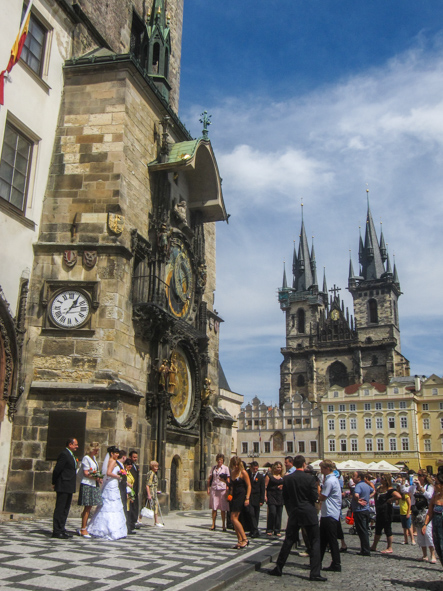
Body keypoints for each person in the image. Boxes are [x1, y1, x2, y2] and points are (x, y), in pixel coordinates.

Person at [269, 455, 326, 582]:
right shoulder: (310, 479)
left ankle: (279, 568)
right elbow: (313, 496)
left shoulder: (288, 479)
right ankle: (315, 572)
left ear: (294, 464)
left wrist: (291, 510)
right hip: (309, 512)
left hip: (295, 512)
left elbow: (286, 497)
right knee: (315, 541)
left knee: (289, 540)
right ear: (304, 464)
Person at [88, 446, 128, 540]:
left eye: (118, 453)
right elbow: (109, 473)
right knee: (111, 503)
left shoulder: (111, 460)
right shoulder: (113, 461)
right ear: (111, 454)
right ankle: (110, 529)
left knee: (110, 504)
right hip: (112, 483)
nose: (117, 455)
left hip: (112, 484)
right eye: (116, 453)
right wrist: (118, 476)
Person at [52, 437, 80, 539]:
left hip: (69, 485)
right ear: (70, 444)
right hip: (63, 484)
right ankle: (57, 530)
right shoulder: (64, 454)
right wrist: (54, 482)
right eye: (75, 444)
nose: (77, 446)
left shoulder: (71, 455)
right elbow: (57, 469)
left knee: (65, 508)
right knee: (60, 508)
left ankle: (62, 528)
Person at [319, 460, 342, 572]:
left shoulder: (330, 481)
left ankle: (336, 563)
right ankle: (317, 562)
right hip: (329, 513)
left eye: (322, 468)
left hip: (330, 513)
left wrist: (317, 492)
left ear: (327, 468)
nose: (321, 471)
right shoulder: (333, 479)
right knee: (323, 540)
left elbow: (323, 497)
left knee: (331, 540)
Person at [370, 473, 401, 553]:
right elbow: (375, 495)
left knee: (387, 528)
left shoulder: (390, 489)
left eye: (383, 478)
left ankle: (389, 547)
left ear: (386, 480)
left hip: (386, 511)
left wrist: (391, 499)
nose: (381, 479)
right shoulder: (380, 488)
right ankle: (374, 546)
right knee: (378, 528)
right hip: (379, 510)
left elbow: (398, 496)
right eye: (381, 478)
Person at [77, 442, 103, 538]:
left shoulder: (94, 459)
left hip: (93, 484)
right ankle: (83, 528)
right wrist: (96, 477)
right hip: (87, 484)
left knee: (90, 506)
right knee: (87, 507)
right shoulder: (86, 458)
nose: (97, 452)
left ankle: (84, 526)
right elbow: (86, 473)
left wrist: (98, 477)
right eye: (96, 450)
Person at [413, 469, 436, 562]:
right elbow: (407, 492)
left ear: (424, 477)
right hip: (418, 512)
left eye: (420, 475)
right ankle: (424, 555)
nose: (418, 477)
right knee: (420, 534)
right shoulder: (415, 487)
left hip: (426, 511)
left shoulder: (429, 486)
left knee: (427, 533)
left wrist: (421, 488)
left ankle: (433, 555)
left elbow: (430, 496)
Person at [228, 456, 251, 549]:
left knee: (233, 518)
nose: (236, 466)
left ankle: (245, 539)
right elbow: (232, 486)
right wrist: (229, 495)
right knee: (234, 518)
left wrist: (247, 498)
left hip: (241, 496)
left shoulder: (243, 472)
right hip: (234, 496)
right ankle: (239, 540)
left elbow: (249, 485)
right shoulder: (232, 473)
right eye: (234, 465)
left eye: (237, 464)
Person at [423, 472, 443, 567]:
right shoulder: (435, 498)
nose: (435, 485)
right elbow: (430, 513)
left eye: (437, 483)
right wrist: (425, 524)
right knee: (439, 550)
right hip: (437, 528)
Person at [351, 471, 372, 556]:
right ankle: (365, 549)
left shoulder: (358, 486)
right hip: (366, 510)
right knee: (365, 530)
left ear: (359, 477)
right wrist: (367, 498)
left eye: (354, 476)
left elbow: (356, 495)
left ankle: (365, 550)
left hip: (359, 510)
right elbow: (373, 490)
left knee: (362, 531)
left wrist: (358, 500)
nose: (352, 478)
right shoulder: (366, 485)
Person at [207, 453, 230, 531]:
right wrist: (208, 488)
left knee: (223, 508)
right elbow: (210, 478)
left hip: (222, 489)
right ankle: (213, 524)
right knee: (214, 507)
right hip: (214, 488)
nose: (220, 461)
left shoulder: (225, 468)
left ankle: (223, 524)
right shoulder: (213, 468)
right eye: (219, 460)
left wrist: (227, 487)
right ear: (217, 460)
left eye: (221, 460)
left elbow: (228, 479)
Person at [265, 461, 284, 536]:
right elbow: (265, 486)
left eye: (280, 467)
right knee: (272, 512)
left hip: (280, 496)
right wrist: (265, 495)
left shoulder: (282, 476)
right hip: (271, 495)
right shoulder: (269, 475)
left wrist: (282, 486)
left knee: (279, 513)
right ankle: (269, 528)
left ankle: (277, 530)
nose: (279, 469)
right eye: (277, 467)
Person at [246, 461, 265, 538]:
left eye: (256, 468)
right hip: (250, 497)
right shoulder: (248, 475)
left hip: (257, 498)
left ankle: (254, 530)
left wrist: (262, 500)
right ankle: (254, 529)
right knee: (251, 513)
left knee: (256, 515)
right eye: (254, 468)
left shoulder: (260, 476)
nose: (255, 470)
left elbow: (262, 489)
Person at [146, 460, 164, 527]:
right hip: (151, 493)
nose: (157, 468)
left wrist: (156, 491)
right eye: (155, 466)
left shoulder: (153, 473)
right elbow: (148, 485)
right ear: (152, 467)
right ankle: (156, 521)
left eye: (157, 466)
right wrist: (149, 494)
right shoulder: (151, 474)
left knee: (153, 506)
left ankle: (156, 521)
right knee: (153, 507)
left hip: (154, 492)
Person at [128, 451, 140, 530]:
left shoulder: (135, 466)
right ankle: (131, 523)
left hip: (135, 489)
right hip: (131, 489)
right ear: (130, 457)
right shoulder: (130, 466)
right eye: (134, 457)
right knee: (131, 507)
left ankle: (134, 521)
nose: (135, 459)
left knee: (135, 506)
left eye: (136, 457)